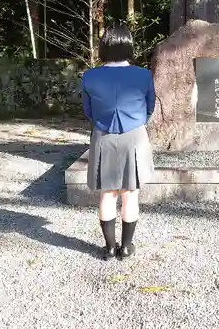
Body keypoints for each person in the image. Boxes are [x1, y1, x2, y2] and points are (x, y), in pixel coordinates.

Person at [81, 25, 155, 261]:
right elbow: (150, 105)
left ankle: (109, 248)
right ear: (128, 46)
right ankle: (126, 247)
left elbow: (87, 110)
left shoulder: (90, 76)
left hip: (103, 135)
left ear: (104, 47)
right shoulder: (143, 74)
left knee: (108, 194)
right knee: (130, 194)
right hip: (134, 135)